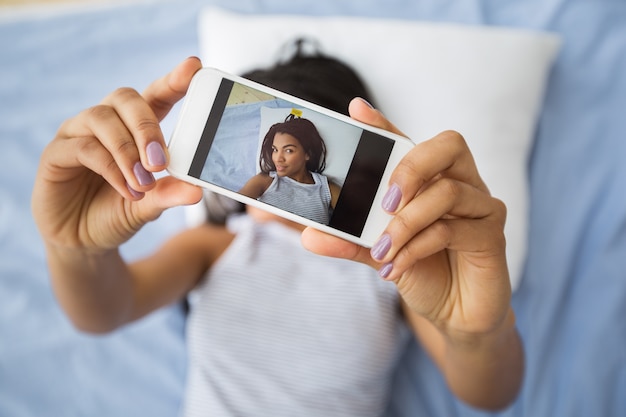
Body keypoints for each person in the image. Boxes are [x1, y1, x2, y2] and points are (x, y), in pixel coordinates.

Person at [31, 44, 523, 416]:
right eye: (274, 150)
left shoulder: (391, 267)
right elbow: (103, 312)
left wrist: (480, 335)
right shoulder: (220, 244)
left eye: (292, 149)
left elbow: (490, 394)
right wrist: (72, 249)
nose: (281, 158)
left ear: (312, 152)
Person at [239, 113, 340, 224]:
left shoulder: (327, 190)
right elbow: (232, 208)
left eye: (288, 150)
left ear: (308, 154)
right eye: (275, 149)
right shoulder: (265, 180)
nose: (278, 158)